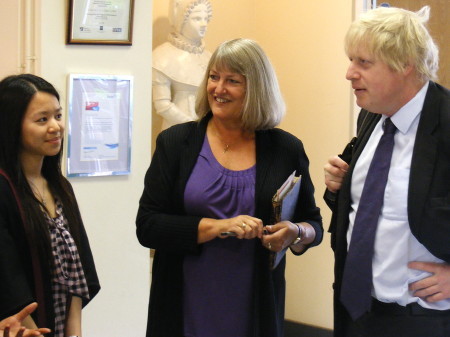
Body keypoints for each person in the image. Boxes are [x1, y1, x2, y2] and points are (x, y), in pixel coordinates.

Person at [137, 38, 323, 337]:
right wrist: (218, 226)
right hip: (184, 301)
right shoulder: (174, 143)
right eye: (213, 77)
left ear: (256, 89)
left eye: (232, 81)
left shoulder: (285, 148)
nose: (218, 89)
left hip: (254, 302)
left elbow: (313, 223)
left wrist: (296, 233)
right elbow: (148, 226)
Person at [324, 6, 450, 337]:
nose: (349, 73)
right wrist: (339, 187)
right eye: (351, 61)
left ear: (405, 64)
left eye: (363, 63)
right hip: (356, 309)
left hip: (422, 319)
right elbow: (368, 209)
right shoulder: (371, 115)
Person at [0, 74, 100, 337]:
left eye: (57, 116)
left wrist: (74, 333)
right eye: (42, 120)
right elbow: (8, 278)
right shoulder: (3, 189)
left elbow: (78, 269)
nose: (55, 127)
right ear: (12, 126)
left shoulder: (59, 187)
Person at [152, 0, 213, 130]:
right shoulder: (162, 55)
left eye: (206, 18)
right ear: (182, 21)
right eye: (197, 18)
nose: (203, 24)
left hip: (209, 129)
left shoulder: (210, 57)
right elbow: (162, 105)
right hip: (177, 129)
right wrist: (193, 124)